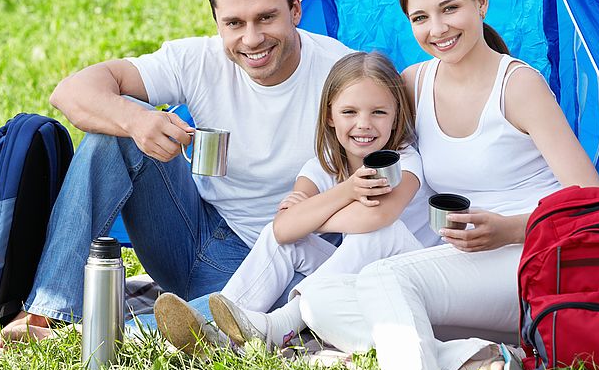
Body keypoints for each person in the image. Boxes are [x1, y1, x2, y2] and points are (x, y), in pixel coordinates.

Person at [0, 0, 352, 355]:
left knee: (255, 318)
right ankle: (46, 312)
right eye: (234, 23)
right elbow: (70, 92)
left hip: (285, 261)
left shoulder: (342, 74)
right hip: (193, 237)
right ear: (218, 24)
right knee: (117, 130)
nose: (252, 38)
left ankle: (88, 337)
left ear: (295, 11)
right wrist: (137, 121)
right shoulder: (198, 59)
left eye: (266, 18)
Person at [294, 0, 599, 370]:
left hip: (537, 257)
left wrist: (506, 229)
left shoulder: (518, 86)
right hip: (465, 261)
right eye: (420, 18)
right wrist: (310, 188)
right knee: (319, 299)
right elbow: (365, 142)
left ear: (481, 2)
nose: (437, 29)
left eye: (450, 9)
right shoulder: (415, 83)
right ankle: (476, 357)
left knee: (384, 280)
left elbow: (591, 203)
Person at [154, 51, 439, 353]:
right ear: (330, 115)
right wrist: (345, 193)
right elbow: (283, 229)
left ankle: (276, 327)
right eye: (349, 112)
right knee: (283, 241)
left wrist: (312, 214)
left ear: (396, 117)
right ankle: (216, 332)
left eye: (379, 113)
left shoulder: (404, 161)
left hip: (416, 279)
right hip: (358, 278)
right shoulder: (323, 166)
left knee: (381, 233)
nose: (364, 124)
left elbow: (376, 219)